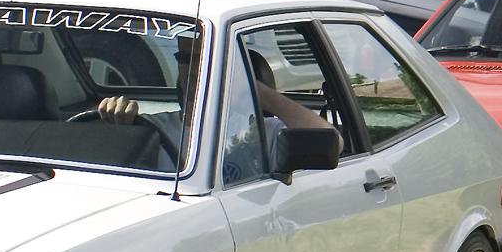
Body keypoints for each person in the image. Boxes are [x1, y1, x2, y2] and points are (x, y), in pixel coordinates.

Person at [97, 34, 340, 163]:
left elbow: (332, 142)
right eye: (185, 59)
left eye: (204, 59)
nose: (193, 70)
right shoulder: (151, 129)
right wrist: (117, 126)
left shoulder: (262, 132)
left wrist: (255, 89)